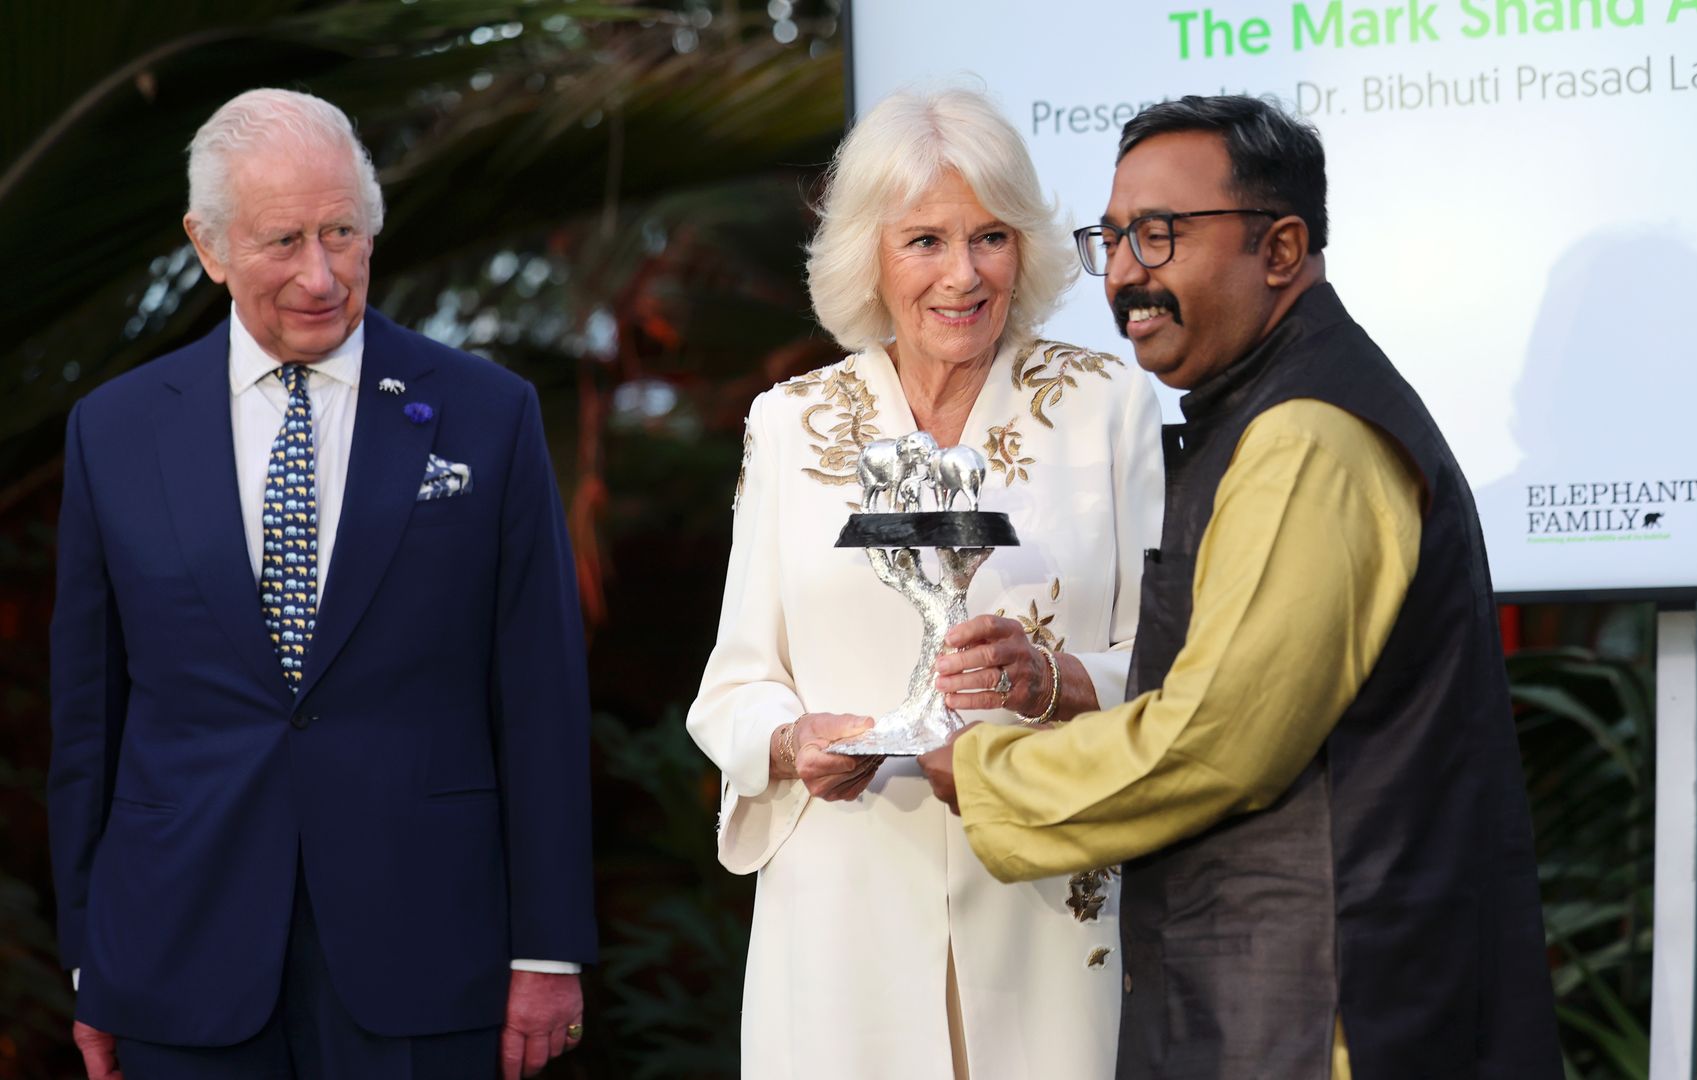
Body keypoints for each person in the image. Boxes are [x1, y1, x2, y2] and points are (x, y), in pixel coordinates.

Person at [921, 95, 1563, 1078]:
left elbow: (1222, 739)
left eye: (1161, 234)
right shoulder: (1260, 410)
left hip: (1330, 1009)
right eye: (1114, 238)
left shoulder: (1309, 432)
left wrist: (989, 773)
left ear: (1281, 249)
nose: (1127, 271)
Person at [47, 88, 596, 1079]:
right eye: (283, 240)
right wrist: (93, 958)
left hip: (430, 956)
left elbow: (541, 697)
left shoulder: (487, 414)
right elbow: (88, 719)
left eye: (342, 232)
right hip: (178, 956)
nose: (320, 274)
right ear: (207, 246)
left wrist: (548, 946)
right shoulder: (113, 432)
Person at [686, 87, 1163, 1079]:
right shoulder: (790, 420)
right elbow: (734, 684)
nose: (963, 274)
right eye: (925, 242)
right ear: (870, 254)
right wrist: (789, 740)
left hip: (1045, 901)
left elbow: (1172, 664)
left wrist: (1050, 679)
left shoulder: (1107, 405)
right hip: (839, 912)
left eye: (990, 237)